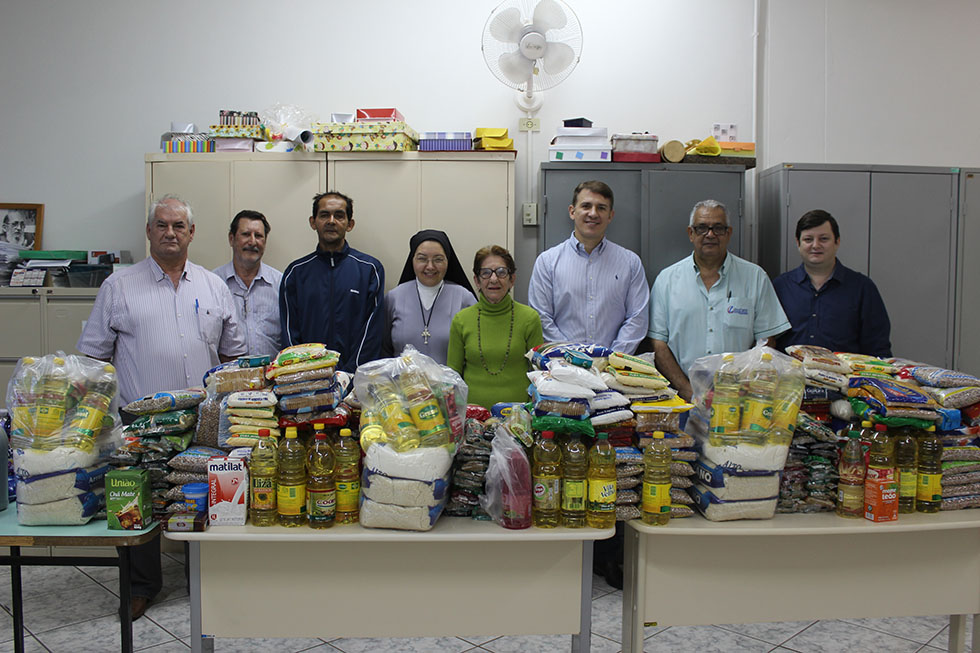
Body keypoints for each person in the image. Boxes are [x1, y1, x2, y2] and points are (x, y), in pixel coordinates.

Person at [77, 195, 245, 620]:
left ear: (191, 234)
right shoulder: (118, 286)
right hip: (140, 421)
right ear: (150, 232)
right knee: (141, 500)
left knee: (205, 499)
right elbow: (94, 360)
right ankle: (141, 586)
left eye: (179, 226)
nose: (171, 233)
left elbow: (233, 358)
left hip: (204, 422)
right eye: (163, 225)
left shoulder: (213, 286)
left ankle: (207, 581)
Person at [647, 199, 789, 401]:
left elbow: (766, 341)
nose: (710, 235)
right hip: (683, 400)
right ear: (691, 233)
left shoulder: (755, 277)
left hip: (739, 399)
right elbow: (659, 344)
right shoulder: (667, 280)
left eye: (718, 228)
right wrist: (687, 390)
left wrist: (743, 387)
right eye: (702, 228)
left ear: (728, 233)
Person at [528, 180, 649, 353]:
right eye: (586, 206)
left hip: (613, 369)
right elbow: (542, 318)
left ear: (610, 215)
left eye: (601, 208)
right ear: (572, 211)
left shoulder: (630, 263)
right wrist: (573, 357)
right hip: (563, 368)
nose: (593, 213)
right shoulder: (547, 262)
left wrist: (612, 358)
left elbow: (637, 318)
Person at [280, 191, 385, 373]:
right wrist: (306, 374)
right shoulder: (295, 273)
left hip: (355, 381)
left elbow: (372, 332)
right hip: (308, 383)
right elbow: (289, 332)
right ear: (313, 222)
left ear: (349, 224)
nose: (331, 221)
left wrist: (350, 375)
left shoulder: (370, 270)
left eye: (339, 216)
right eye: (324, 215)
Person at [773, 209, 892, 357]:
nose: (815, 245)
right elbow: (768, 341)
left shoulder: (862, 288)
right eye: (808, 239)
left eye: (823, 239)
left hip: (846, 378)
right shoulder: (780, 287)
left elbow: (877, 347)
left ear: (837, 242)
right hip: (791, 377)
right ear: (798, 243)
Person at [447, 245, 543, 408]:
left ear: (512, 279)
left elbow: (539, 375)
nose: (493, 279)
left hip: (517, 419)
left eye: (501, 272)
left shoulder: (529, 318)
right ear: (476, 280)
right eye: (486, 273)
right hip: (472, 419)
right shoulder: (461, 320)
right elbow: (452, 376)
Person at [383, 229, 476, 364]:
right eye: (422, 259)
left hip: (450, 384)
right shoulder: (394, 298)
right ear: (412, 260)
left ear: (448, 261)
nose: (430, 266)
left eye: (438, 259)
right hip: (402, 384)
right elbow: (383, 349)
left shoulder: (464, 298)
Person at [213, 209, 283, 359]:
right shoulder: (213, 284)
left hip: (272, 379)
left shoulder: (280, 284)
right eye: (245, 234)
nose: (252, 242)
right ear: (231, 239)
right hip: (228, 379)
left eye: (258, 236)